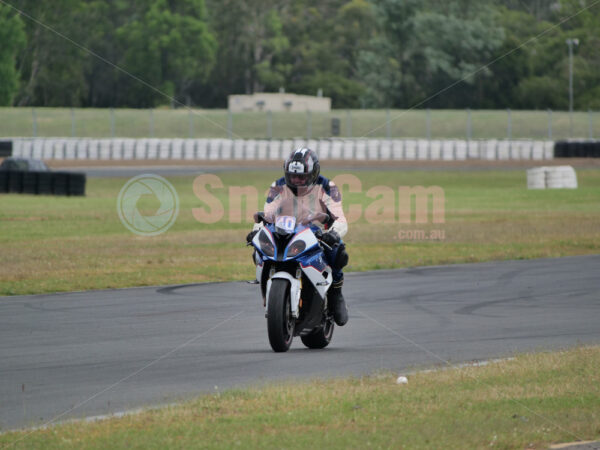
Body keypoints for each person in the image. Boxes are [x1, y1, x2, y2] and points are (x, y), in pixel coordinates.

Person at [246, 148, 349, 326]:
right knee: (258, 247)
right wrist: (256, 229)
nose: (296, 181)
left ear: (313, 173)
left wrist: (333, 232)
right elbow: (268, 212)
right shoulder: (277, 186)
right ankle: (265, 288)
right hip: (284, 229)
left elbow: (340, 217)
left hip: (316, 232)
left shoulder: (328, 187)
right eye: (292, 176)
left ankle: (335, 293)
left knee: (338, 250)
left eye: (302, 177)